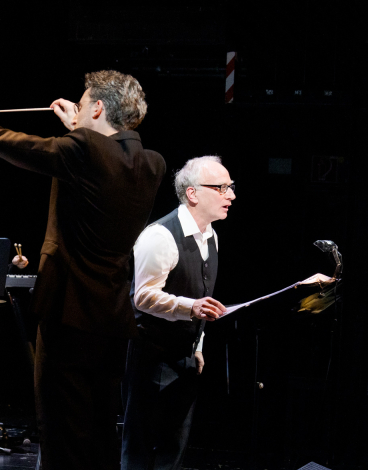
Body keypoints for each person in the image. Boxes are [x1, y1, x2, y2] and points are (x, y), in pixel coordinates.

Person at [0, 70, 167, 469]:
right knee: (99, 433)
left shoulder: (84, 149)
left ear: (97, 108)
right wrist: (80, 129)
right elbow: (98, 167)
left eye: (82, 103)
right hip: (112, 319)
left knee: (61, 434)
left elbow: (12, 143)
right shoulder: (153, 164)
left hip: (68, 316)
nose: (76, 110)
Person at [121, 156, 234, 470]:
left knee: (174, 448)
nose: (231, 195)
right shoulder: (159, 236)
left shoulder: (211, 236)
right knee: (142, 447)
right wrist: (190, 307)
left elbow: (201, 293)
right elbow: (143, 297)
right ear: (193, 193)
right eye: (222, 187)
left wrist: (197, 346)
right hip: (152, 355)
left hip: (185, 356)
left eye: (230, 187)